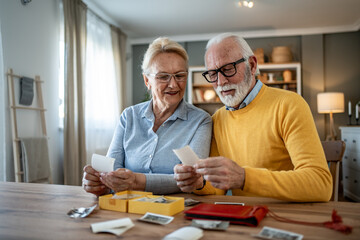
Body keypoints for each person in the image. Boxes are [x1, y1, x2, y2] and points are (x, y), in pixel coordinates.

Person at [174, 33, 332, 202]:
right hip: (245, 216)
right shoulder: (218, 119)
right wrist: (200, 182)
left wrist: (244, 178)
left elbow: (320, 184)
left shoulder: (289, 105)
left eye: (227, 69)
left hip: (287, 215)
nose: (220, 81)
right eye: (213, 74)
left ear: (252, 64)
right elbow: (218, 189)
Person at [82, 37, 212, 196]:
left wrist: (135, 181)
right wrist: (101, 181)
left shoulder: (201, 121)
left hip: (175, 210)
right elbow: (111, 169)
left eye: (179, 75)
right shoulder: (129, 116)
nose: (173, 84)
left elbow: (190, 179)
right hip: (126, 206)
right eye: (163, 77)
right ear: (147, 80)